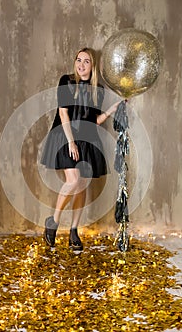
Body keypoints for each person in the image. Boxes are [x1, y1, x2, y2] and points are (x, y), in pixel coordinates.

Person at [41, 47, 120, 251]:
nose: (81, 65)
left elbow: (94, 120)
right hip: (65, 135)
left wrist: (111, 110)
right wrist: (71, 142)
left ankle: (74, 231)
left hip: (88, 138)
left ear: (92, 66)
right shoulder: (66, 81)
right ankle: (54, 221)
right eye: (78, 60)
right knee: (73, 180)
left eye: (86, 61)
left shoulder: (97, 90)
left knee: (82, 184)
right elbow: (64, 113)